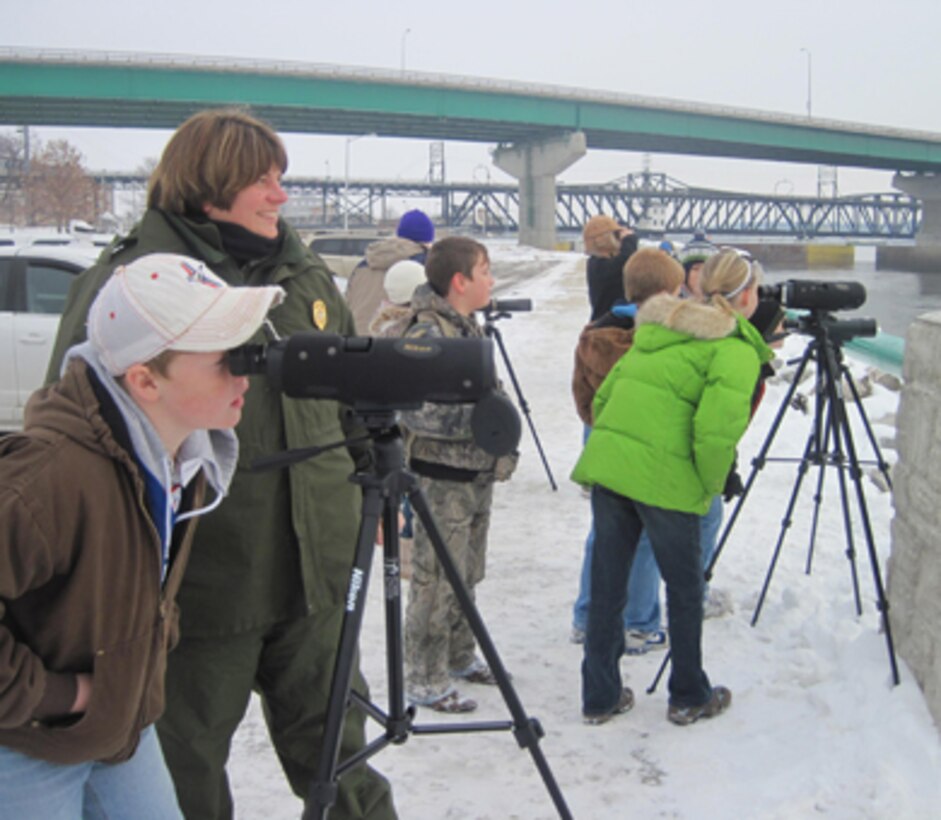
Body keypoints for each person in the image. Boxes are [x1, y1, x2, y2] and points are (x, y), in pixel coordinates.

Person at [45, 109, 397, 820]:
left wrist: (376, 495)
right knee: (186, 777)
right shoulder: (134, 283)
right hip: (200, 589)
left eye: (280, 179)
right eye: (262, 181)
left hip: (318, 574)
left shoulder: (305, 277)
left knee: (341, 761)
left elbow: (356, 397)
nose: (279, 196)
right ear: (209, 188)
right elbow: (74, 430)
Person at [0, 253, 283, 818]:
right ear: (145, 380)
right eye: (224, 358)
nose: (244, 373)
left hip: (123, 734)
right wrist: (63, 696)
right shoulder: (46, 480)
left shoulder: (180, 458)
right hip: (26, 749)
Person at [572, 248, 773, 727]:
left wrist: (624, 444)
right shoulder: (735, 349)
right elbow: (715, 432)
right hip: (667, 480)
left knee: (608, 584)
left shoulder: (660, 327)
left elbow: (607, 395)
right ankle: (688, 693)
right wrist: (705, 488)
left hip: (613, 468)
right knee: (684, 591)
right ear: (746, 295)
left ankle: (599, 696)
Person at [398, 236, 517, 713]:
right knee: (434, 578)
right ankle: (423, 676)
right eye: (485, 270)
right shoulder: (428, 334)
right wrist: (485, 429)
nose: (492, 280)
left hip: (474, 476)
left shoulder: (465, 328)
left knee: (467, 572)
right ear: (459, 281)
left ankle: (459, 655)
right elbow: (415, 412)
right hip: (442, 478)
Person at [570, 248, 684, 653]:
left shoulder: (595, 333)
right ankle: (638, 622)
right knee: (648, 539)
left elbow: (582, 397)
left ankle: (586, 617)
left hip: (607, 443)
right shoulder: (665, 339)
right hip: (652, 452)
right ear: (672, 291)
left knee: (603, 536)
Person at [346, 209, 435, 334]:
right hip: (399, 345)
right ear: (427, 240)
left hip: (358, 343)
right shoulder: (425, 266)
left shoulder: (362, 266)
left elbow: (348, 303)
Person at [582, 214, 638, 321]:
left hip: (604, 323)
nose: (619, 239)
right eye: (616, 235)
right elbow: (625, 260)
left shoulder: (599, 264)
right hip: (606, 328)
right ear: (604, 240)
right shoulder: (598, 266)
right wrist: (629, 240)